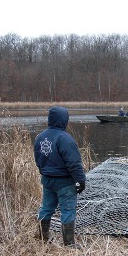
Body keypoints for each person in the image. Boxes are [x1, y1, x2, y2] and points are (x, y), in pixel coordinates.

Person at [34, 106, 86, 247]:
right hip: (64, 183)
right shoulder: (65, 139)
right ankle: (69, 244)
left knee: (46, 208)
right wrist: (81, 181)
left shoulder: (40, 137)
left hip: (47, 180)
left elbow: (38, 160)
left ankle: (42, 237)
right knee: (68, 210)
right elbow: (74, 164)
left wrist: (45, 173)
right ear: (64, 120)